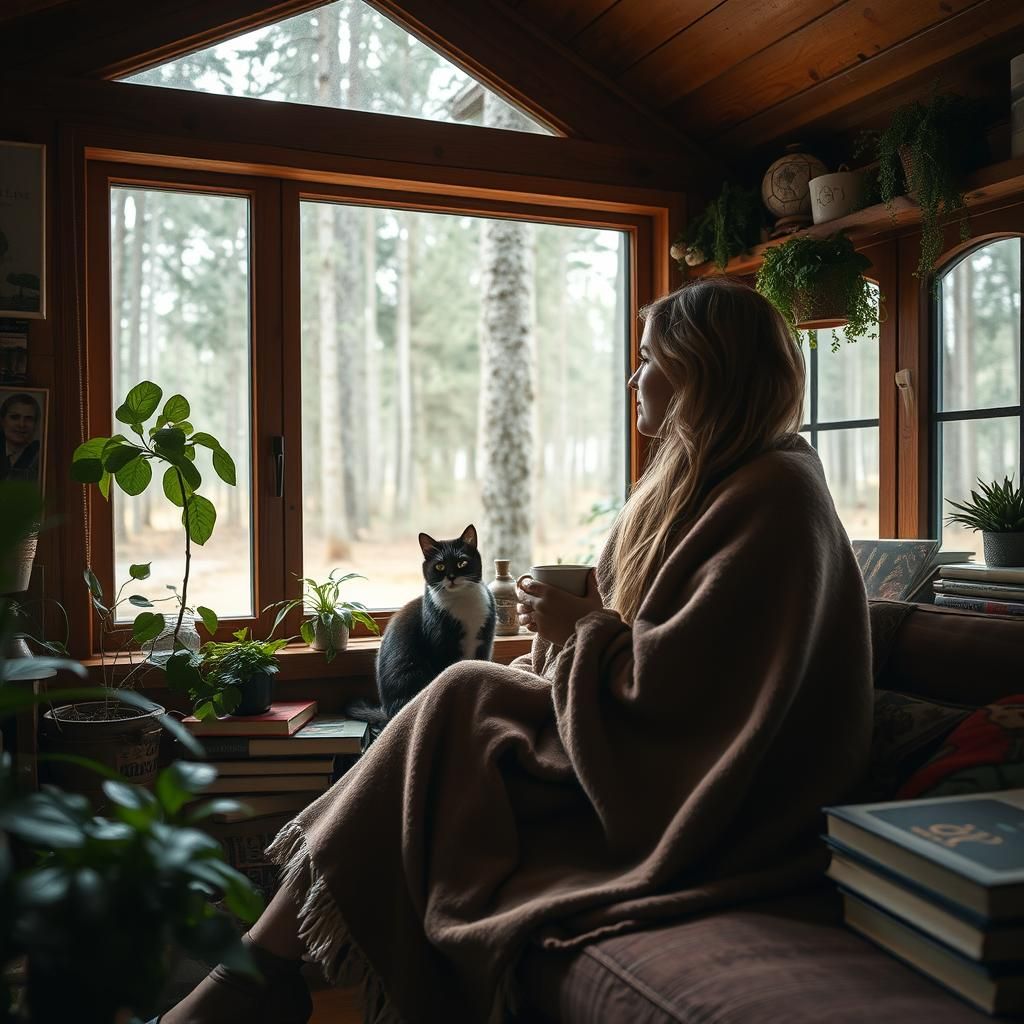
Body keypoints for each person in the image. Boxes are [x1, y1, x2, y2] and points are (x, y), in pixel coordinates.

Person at [155, 278, 872, 1024]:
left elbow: (691, 698)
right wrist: (582, 628)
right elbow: (664, 642)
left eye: (648, 358)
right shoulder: (698, 483)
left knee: (462, 694)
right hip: (626, 739)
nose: (634, 376)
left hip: (703, 789)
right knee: (462, 702)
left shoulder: (776, 496)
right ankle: (257, 975)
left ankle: (252, 980)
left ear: (702, 370)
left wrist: (578, 629)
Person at [0, 392, 41, 485]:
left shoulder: (39, 457)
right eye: (14, 417)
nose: (21, 424)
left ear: (35, 424)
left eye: (29, 419)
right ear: (2, 421)